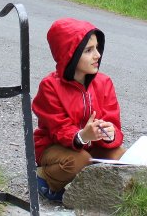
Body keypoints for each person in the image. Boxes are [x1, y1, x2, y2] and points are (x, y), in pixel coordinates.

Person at [31, 18, 125, 202]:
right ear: (70, 54)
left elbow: (114, 123)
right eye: (88, 50)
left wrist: (110, 134)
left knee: (121, 156)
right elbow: (58, 129)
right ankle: (43, 177)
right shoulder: (50, 86)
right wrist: (82, 136)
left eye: (97, 48)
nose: (97, 55)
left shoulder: (104, 82)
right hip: (55, 147)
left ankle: (93, 191)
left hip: (92, 147)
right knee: (79, 161)